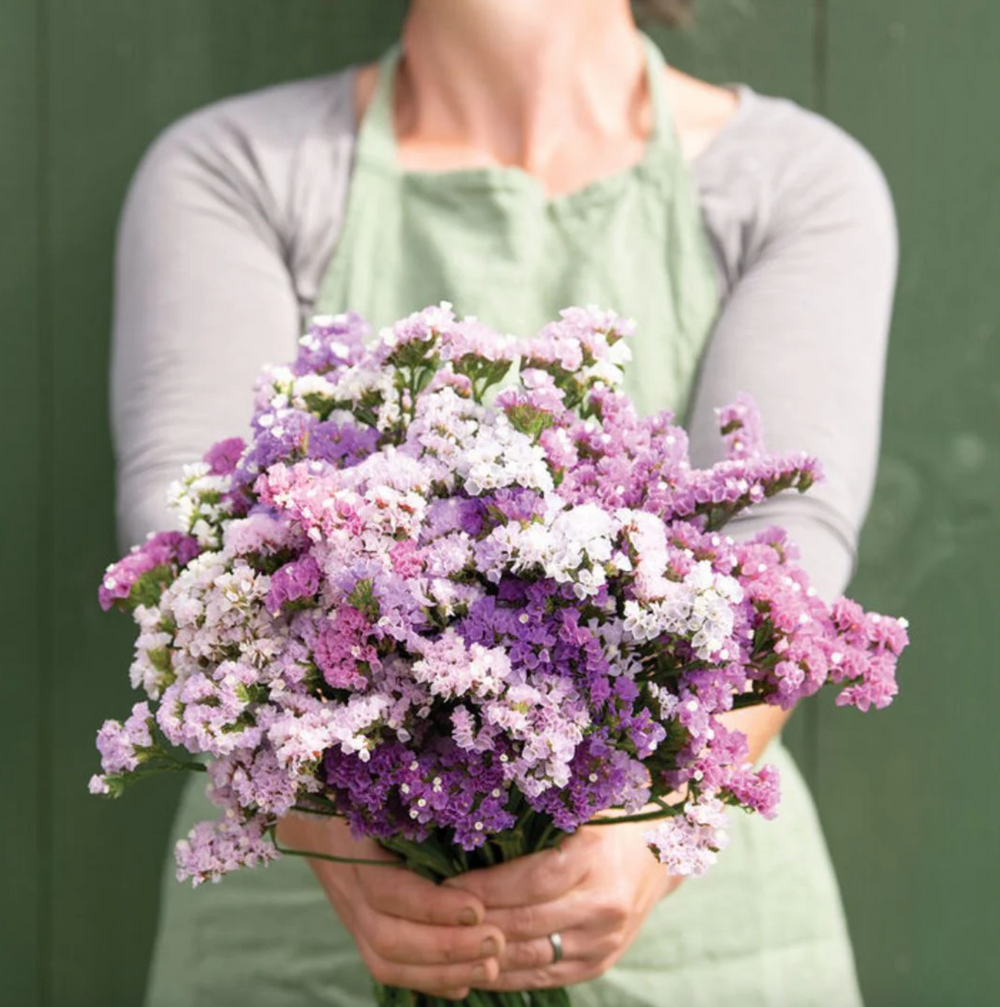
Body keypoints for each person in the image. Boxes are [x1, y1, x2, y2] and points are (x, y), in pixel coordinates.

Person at [112, 1, 897, 1004]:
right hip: (297, 929)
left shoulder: (792, 176)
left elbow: (783, 552)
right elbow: (190, 532)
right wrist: (321, 822)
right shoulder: (242, 167)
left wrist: (649, 832)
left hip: (700, 943)